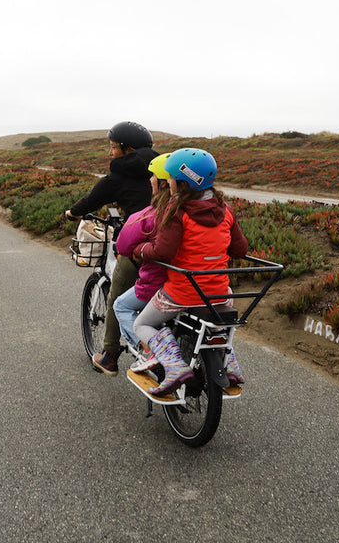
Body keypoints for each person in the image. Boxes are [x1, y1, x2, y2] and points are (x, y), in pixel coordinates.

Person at [131, 148, 249, 396]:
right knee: (218, 324)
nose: (169, 182)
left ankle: (174, 367)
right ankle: (230, 364)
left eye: (172, 177)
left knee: (142, 324)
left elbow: (162, 251)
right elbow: (240, 249)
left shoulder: (178, 212)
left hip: (183, 292)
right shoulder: (226, 210)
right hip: (218, 293)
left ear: (183, 182)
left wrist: (141, 250)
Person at [65, 121, 158, 376]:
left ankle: (109, 355)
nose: (110, 153)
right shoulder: (162, 171)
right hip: (169, 243)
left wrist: (73, 212)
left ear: (127, 149)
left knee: (117, 295)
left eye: (113, 147)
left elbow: (92, 199)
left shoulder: (120, 175)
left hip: (139, 244)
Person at [111, 153, 172, 352]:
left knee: (120, 305)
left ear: (164, 183)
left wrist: (140, 249)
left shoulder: (149, 215)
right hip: (194, 283)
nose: (150, 179)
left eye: (153, 176)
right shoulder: (189, 213)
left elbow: (123, 245)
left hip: (157, 284)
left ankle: (147, 350)